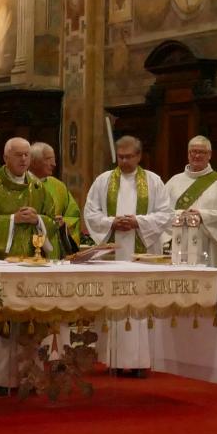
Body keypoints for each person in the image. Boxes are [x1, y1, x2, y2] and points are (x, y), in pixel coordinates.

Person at [0, 137, 55, 392]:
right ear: (6, 158)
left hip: (33, 265)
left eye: (27, 155)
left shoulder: (39, 188)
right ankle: (1, 381)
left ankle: (29, 379)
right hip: (3, 266)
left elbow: (53, 219)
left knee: (31, 321)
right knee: (3, 321)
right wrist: (11, 220)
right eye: (18, 155)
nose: (23, 160)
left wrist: (39, 220)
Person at [84, 136, 171, 376]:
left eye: (128, 156)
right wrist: (112, 222)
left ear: (139, 156)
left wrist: (137, 222)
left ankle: (140, 362)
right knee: (115, 305)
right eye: (120, 157)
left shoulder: (153, 181)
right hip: (113, 253)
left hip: (140, 254)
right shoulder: (103, 181)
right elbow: (90, 212)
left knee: (140, 305)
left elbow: (165, 214)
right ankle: (113, 359)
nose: (123, 161)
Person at [163, 136, 217, 348]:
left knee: (208, 290)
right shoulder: (174, 182)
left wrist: (202, 214)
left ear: (210, 155)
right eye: (193, 151)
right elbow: (162, 212)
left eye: (202, 152)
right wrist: (180, 215)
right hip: (180, 245)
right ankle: (180, 342)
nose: (197, 155)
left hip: (208, 246)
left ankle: (211, 345)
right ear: (187, 153)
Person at [29, 141, 81, 259]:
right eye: (48, 159)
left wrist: (64, 223)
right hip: (27, 248)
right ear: (33, 161)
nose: (54, 164)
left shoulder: (58, 186)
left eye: (53, 159)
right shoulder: (21, 185)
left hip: (54, 249)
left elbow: (74, 216)